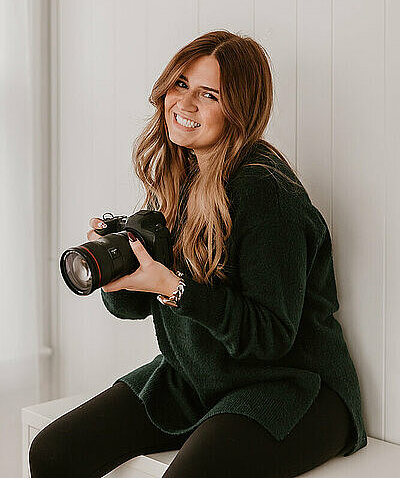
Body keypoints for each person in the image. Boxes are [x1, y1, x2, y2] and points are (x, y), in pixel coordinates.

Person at [29, 30, 367, 478]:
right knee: (53, 453)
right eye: (181, 84)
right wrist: (118, 268)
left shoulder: (266, 192)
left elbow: (270, 336)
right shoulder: (179, 175)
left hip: (292, 385)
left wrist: (174, 288)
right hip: (198, 374)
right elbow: (131, 307)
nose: (185, 105)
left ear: (239, 111)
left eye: (209, 95)